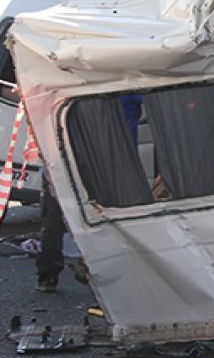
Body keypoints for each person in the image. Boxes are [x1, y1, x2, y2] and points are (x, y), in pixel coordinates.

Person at [35, 94, 144, 292]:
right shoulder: (126, 84)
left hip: (62, 155)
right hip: (112, 160)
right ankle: (97, 269)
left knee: (55, 213)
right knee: (109, 216)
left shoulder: (59, 85)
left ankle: (48, 274)